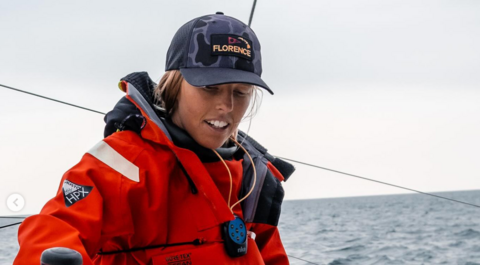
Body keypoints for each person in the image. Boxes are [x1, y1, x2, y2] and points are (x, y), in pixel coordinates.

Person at [14, 12, 295, 265]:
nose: (227, 106)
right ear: (174, 84)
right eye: (209, 87)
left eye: (241, 92)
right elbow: (54, 231)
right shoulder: (121, 164)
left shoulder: (253, 177)